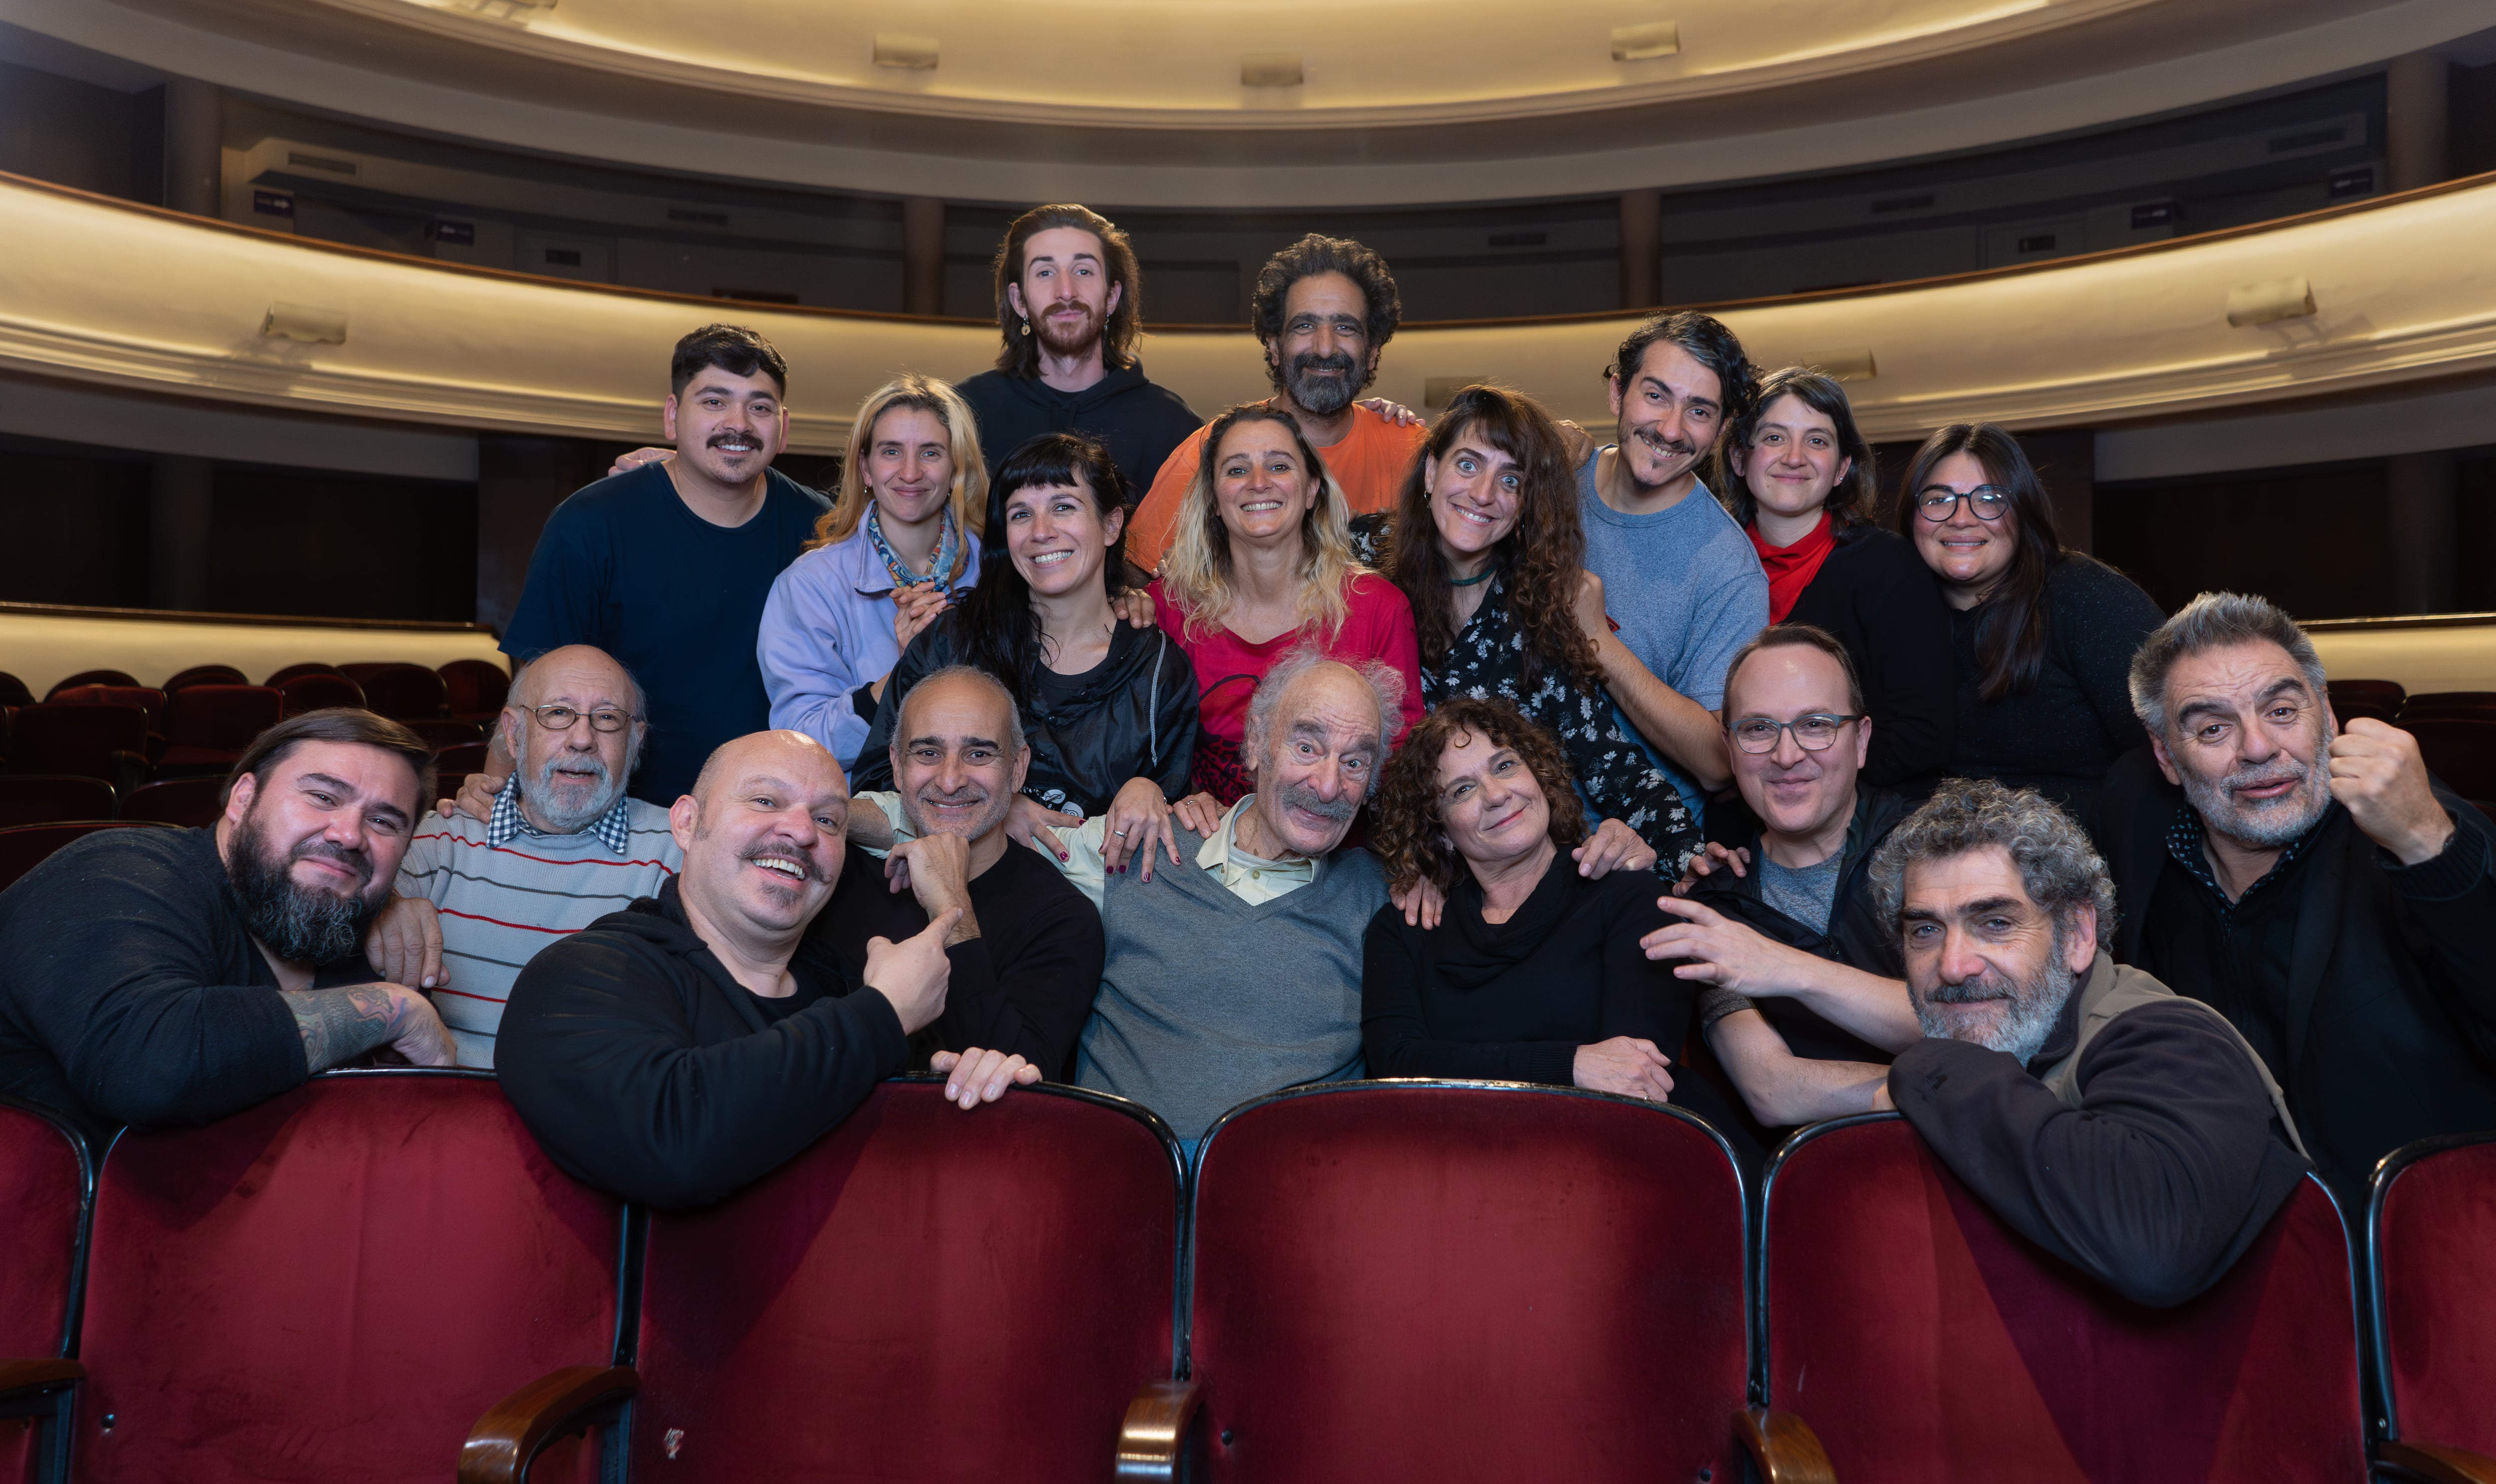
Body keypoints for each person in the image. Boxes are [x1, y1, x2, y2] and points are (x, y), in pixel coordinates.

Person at [854, 649, 1392, 1145]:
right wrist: (817, 816)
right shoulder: (1137, 844)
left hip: (1287, 1189)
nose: (1327, 786)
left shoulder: (1386, 898)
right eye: (1306, 746)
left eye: (1354, 762)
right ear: (1254, 743)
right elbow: (958, 811)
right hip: (1124, 1180)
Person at [496, 730, 1033, 1209]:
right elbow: (671, 1144)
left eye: (828, 820)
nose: (801, 832)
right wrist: (884, 1012)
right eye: (764, 800)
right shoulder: (582, 976)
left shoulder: (846, 987)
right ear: (687, 822)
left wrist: (973, 1088)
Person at [2099, 591, 2496, 1211]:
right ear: (2165, 757)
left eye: (2281, 711)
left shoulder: (2417, 833)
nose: (2257, 748)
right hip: (2217, 1221)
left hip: (2413, 1227)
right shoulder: (2133, 813)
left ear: (2327, 715)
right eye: (2212, 728)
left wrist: (2428, 844)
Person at [1873, 777, 2310, 1307]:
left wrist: (1932, 1066)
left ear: (2077, 935)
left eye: (1993, 922)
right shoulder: (2025, 1043)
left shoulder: (2169, 1040)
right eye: (1924, 931)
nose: (1951, 965)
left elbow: (2155, 1247)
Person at [0, 710, 457, 1151]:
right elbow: (148, 1067)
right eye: (323, 796)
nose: (349, 834)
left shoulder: (366, 933)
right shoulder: (118, 872)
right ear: (243, 798)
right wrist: (393, 1010)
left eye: (383, 821)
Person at [1372, 384, 1702, 873]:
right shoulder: (1361, 558)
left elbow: (1610, 764)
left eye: (1511, 480)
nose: (1483, 494)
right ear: (1429, 472)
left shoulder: (1538, 613)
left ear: (1527, 503)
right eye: (1467, 465)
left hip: (1511, 881)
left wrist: (1692, 866)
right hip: (1386, 866)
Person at [500, 324, 830, 806]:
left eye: (759, 407)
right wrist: (495, 797)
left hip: (775, 812)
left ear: (783, 427)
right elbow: (535, 693)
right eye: (714, 402)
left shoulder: (822, 531)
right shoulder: (591, 522)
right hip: (618, 815)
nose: (737, 423)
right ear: (673, 417)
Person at [849, 433, 1198, 864]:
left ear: (1111, 524)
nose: (1041, 532)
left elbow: (1173, 828)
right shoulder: (953, 640)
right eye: (1020, 514)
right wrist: (991, 810)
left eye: (1064, 507)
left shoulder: (1161, 669)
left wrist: (1152, 794)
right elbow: (878, 779)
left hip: (1093, 916)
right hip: (946, 892)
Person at [1641, 626, 1921, 1160]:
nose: (1786, 755)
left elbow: (1978, 1024)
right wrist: (1950, 1085)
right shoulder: (1710, 908)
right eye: (1757, 729)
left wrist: (1777, 965)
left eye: (1815, 725)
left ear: (1860, 741)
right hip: (1809, 1187)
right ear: (1728, 747)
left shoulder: (1934, 850)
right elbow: (1771, 1089)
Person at [1361, 697, 1707, 1104]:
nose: (1496, 795)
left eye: (1505, 766)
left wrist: (1463, 1064)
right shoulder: (1405, 930)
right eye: (1462, 790)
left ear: (1539, 776)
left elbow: (1636, 1078)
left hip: (1605, 1150)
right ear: (1440, 832)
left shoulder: (1630, 896)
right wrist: (1570, 1064)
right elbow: (1396, 1066)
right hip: (1453, 1155)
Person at [799, 667, 1105, 1081]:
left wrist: (951, 903)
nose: (949, 779)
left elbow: (1022, 1091)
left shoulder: (1063, 918)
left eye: (979, 753)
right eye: (928, 752)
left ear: (1017, 769)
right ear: (896, 764)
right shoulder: (837, 874)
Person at [395, 646, 680, 1068]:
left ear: (635, 740)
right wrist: (382, 907)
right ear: (514, 734)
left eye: (606, 718)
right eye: (558, 713)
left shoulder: (679, 852)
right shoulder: (441, 840)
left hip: (599, 1115)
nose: (582, 739)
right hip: (450, 1105)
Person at [1149, 404, 1424, 806]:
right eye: (1237, 470)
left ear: (1312, 489)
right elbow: (1145, 751)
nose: (1259, 483)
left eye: (1279, 467)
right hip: (1208, 851)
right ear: (1212, 497)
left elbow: (1404, 763)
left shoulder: (1378, 608)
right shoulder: (1168, 608)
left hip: (1341, 853)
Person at [1897, 422, 2164, 816]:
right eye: (1939, 499)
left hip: (2084, 858)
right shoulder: (1892, 612)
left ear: (2022, 509)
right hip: (1939, 855)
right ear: (1912, 516)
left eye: (1988, 498)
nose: (1961, 518)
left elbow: (2173, 751)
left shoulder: (2087, 597)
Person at [1127, 235, 1428, 571]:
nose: (1325, 347)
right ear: (1274, 345)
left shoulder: (1413, 451)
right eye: (1304, 326)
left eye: (1345, 327)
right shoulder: (1210, 453)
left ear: (1371, 353)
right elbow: (1137, 575)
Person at [1575, 310, 1769, 821]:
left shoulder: (1729, 569)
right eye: (1655, 395)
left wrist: (1598, 642)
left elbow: (1717, 764)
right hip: (1499, 834)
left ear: (1723, 429)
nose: (1669, 429)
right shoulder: (1555, 479)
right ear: (1618, 392)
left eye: (1699, 411)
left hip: (1638, 851)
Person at [1720, 367, 1953, 789]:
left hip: (1860, 821)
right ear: (1739, 457)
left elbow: (1922, 731)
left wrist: (1803, 794)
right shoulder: (1708, 567)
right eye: (1774, 437)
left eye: (1817, 441)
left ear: (1842, 466)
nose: (1794, 457)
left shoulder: (1891, 567)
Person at [756, 375, 985, 770]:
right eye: (891, 451)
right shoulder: (809, 586)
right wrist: (902, 674)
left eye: (930, 453)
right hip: (863, 823)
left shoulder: (1002, 570)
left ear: (956, 469)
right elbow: (801, 743)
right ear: (865, 467)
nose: (910, 473)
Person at [953, 204, 1202, 500]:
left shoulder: (1172, 425)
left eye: (1083, 270)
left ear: (1111, 296)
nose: (1067, 291)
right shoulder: (966, 414)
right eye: (1045, 272)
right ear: (1019, 301)